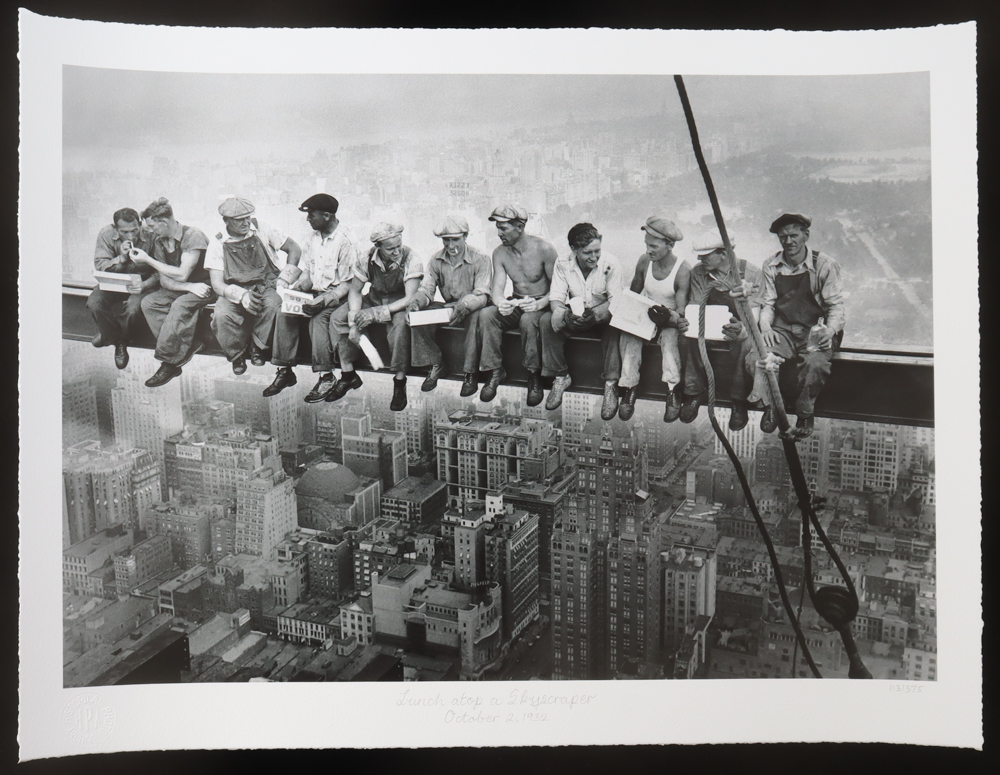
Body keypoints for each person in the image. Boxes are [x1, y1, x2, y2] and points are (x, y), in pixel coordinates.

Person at [753, 212, 846, 437]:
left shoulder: (824, 265)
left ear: (806, 235)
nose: (788, 241)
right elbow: (768, 304)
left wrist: (830, 331)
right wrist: (765, 327)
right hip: (783, 329)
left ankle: (805, 413)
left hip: (816, 330)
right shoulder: (771, 265)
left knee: (815, 364)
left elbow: (836, 306)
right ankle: (772, 406)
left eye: (794, 235)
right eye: (783, 237)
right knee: (760, 357)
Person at [205, 197, 303, 394]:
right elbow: (217, 284)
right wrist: (241, 295)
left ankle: (258, 346)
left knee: (273, 305)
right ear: (226, 221)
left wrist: (284, 278)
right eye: (239, 220)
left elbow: (294, 249)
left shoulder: (262, 229)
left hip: (266, 284)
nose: (246, 223)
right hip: (234, 289)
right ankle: (237, 354)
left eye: (247, 218)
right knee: (221, 315)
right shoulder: (217, 243)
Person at [327, 222, 423, 411]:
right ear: (378, 247)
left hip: (399, 304)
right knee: (338, 317)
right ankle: (348, 374)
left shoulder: (412, 259)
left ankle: (400, 382)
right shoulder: (366, 258)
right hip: (374, 298)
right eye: (390, 249)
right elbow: (355, 291)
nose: (397, 251)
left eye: (399, 246)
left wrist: (375, 314)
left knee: (400, 326)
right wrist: (354, 322)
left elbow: (409, 298)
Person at [681, 228, 762, 430]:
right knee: (690, 336)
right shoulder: (698, 273)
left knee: (745, 343)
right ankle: (694, 391)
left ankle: (738, 400)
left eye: (705, 255)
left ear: (724, 253)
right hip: (709, 324)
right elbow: (696, 306)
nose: (700, 259)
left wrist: (742, 329)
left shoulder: (751, 273)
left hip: (739, 327)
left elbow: (754, 313)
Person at [478, 204, 558, 405]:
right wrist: (501, 303)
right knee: (487, 315)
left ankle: (534, 375)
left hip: (542, 305)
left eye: (503, 228)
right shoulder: (500, 253)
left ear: (520, 227)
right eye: (498, 228)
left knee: (528, 320)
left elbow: (559, 288)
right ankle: (495, 370)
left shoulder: (545, 250)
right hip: (517, 301)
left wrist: (540, 304)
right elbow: (497, 289)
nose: (499, 233)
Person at [540, 223, 623, 416]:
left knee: (615, 326)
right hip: (576, 314)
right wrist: (565, 315)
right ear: (574, 249)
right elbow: (556, 298)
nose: (594, 257)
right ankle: (560, 376)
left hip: (602, 315)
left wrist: (595, 316)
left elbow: (616, 301)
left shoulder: (611, 263)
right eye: (587, 253)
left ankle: (611, 384)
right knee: (546, 321)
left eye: (597, 251)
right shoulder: (562, 263)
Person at [131, 198, 211, 387]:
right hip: (187, 287)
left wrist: (148, 260)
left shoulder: (193, 236)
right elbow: (165, 280)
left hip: (206, 286)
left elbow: (182, 274)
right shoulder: (160, 241)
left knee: (180, 305)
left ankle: (169, 363)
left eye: (152, 226)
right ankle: (188, 344)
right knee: (149, 303)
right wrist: (188, 287)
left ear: (164, 222)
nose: (151, 231)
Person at [408, 215, 491, 396]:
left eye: (455, 240)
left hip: (472, 307)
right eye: (446, 240)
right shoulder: (436, 260)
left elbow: (482, 294)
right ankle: (436, 363)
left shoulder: (481, 258)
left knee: (475, 319)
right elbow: (427, 289)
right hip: (449, 308)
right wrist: (416, 302)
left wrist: (465, 304)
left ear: (465, 236)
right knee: (417, 318)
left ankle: (470, 373)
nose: (451, 245)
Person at [617, 217, 690, 422]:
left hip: (669, 319)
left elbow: (682, 311)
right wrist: (628, 315)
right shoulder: (644, 262)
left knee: (670, 340)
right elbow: (633, 294)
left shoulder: (682, 270)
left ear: (670, 245)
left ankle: (673, 389)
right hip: (647, 314)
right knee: (629, 335)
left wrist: (669, 317)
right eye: (647, 245)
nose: (648, 250)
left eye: (654, 246)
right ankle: (630, 386)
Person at [292, 194, 360, 403]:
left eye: (311, 215)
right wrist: (297, 287)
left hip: (341, 297)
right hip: (318, 294)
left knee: (319, 319)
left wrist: (322, 301)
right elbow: (307, 271)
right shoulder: (312, 238)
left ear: (327, 215)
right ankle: (285, 368)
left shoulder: (346, 241)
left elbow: (348, 284)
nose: (308, 219)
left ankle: (327, 376)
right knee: (286, 312)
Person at [86, 208, 158, 370]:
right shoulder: (106, 234)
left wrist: (145, 285)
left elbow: (160, 270)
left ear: (140, 224)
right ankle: (117, 340)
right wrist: (122, 259)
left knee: (133, 309)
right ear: (115, 228)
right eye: (125, 232)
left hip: (142, 283)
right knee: (95, 303)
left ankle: (111, 336)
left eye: (134, 230)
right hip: (114, 282)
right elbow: (101, 266)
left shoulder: (151, 234)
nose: (131, 236)